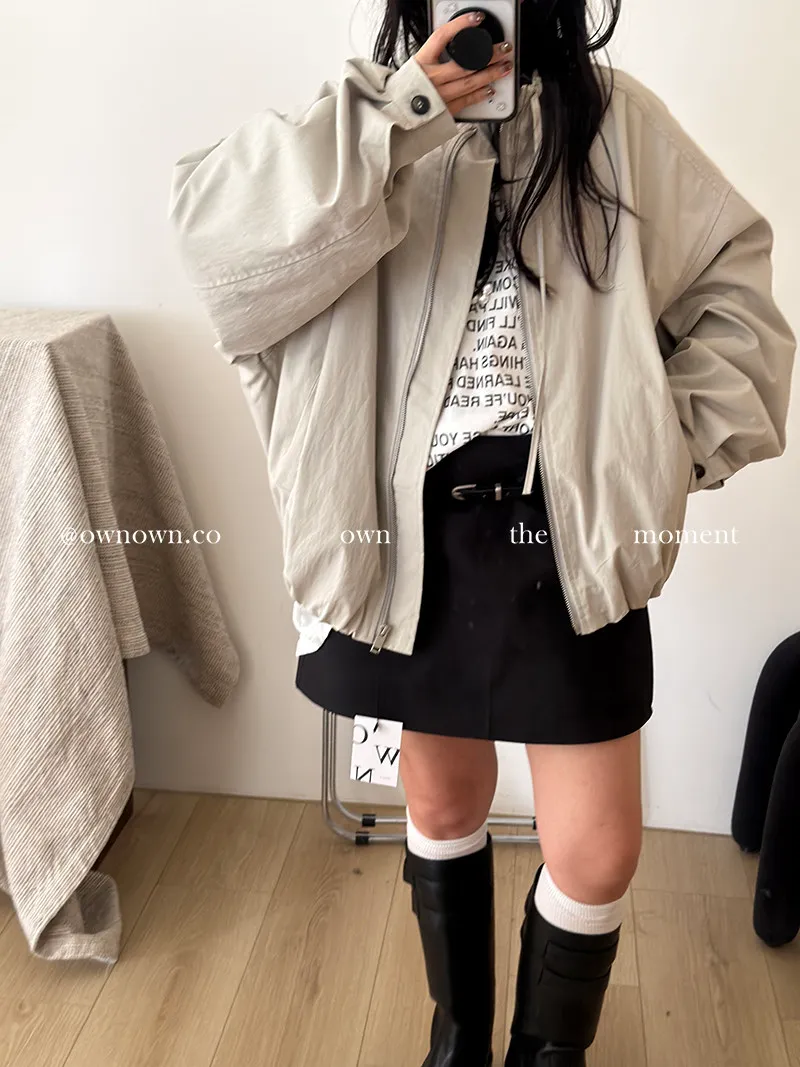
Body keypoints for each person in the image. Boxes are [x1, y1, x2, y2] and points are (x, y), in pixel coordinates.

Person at [167, 0, 796, 1062]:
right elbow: (221, 259)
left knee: (596, 849)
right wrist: (400, 113)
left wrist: (652, 454)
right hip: (409, 536)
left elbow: (737, 300)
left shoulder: (618, 126)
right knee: (444, 793)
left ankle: (547, 1052)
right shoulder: (368, 127)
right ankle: (456, 1039)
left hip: (567, 536)